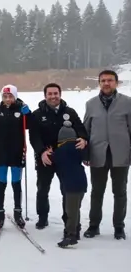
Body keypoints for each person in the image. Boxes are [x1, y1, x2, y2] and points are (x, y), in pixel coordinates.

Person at [29, 83, 88, 230]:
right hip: (46, 157)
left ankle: (68, 219)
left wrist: (83, 139)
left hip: (66, 158)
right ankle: (42, 217)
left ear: (60, 94)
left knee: (67, 189)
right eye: (50, 94)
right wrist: (41, 152)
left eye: (56, 93)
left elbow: (81, 129)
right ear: (45, 96)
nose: (53, 96)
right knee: (43, 188)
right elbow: (34, 137)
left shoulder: (70, 112)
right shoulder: (37, 114)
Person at [83, 70, 131, 240]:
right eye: (103, 80)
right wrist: (85, 154)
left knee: (120, 192)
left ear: (116, 83)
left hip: (121, 155)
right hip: (98, 154)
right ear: (99, 83)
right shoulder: (91, 104)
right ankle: (94, 226)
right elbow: (85, 131)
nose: (106, 83)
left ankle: (119, 227)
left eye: (110, 80)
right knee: (97, 192)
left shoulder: (127, 103)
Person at [0, 85, 30, 229]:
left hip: (17, 151)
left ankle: (18, 212)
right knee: (1, 182)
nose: (8, 99)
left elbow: (30, 124)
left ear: (15, 97)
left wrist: (27, 114)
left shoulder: (21, 109)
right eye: (5, 96)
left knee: (16, 183)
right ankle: (0, 212)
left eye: (10, 96)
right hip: (1, 152)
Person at [53, 122, 88, 248]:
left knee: (70, 212)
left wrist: (50, 153)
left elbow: (54, 160)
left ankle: (70, 235)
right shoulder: (78, 148)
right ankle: (76, 231)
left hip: (71, 185)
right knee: (75, 209)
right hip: (81, 183)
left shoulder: (61, 150)